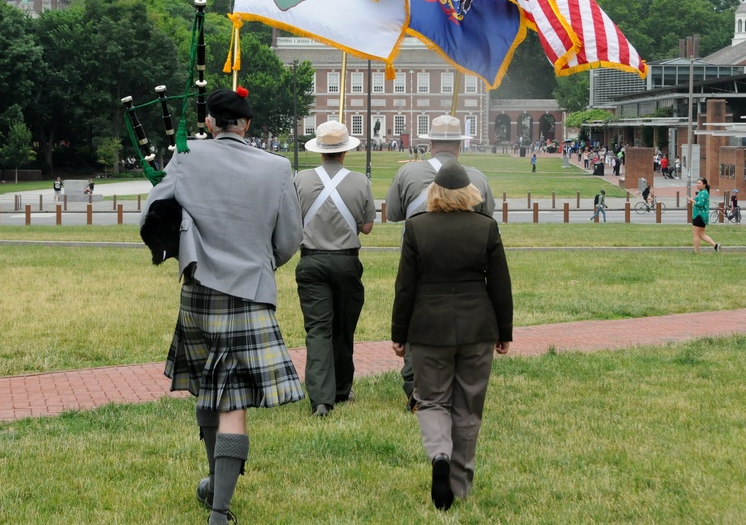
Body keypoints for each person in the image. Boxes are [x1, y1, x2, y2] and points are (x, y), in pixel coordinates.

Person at [142, 86, 304, 525]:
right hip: (249, 290)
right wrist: (262, 263)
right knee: (231, 399)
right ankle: (218, 510)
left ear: (211, 122)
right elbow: (290, 239)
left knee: (207, 385)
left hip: (198, 289)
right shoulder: (277, 167)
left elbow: (153, 217)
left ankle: (216, 485)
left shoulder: (186, 156)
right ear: (246, 124)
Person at [391, 161, 513, 511]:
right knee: (468, 407)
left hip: (428, 329)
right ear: (469, 194)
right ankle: (459, 486)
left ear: (434, 194)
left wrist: (400, 334)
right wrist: (504, 331)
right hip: (478, 328)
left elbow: (405, 288)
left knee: (430, 400)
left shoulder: (416, 229)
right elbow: (501, 285)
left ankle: (439, 455)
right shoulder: (486, 228)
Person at [385, 115, 495, 409]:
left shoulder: (407, 174)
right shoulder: (479, 178)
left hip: (419, 256)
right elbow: (488, 221)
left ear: (430, 143)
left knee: (414, 315)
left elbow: (392, 214)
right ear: (460, 145)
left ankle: (414, 383)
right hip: (466, 265)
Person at [293, 121, 375, 417]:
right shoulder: (360, 181)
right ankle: (341, 388)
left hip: (311, 259)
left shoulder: (300, 179)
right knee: (343, 328)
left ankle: (320, 399)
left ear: (320, 151)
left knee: (318, 329)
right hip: (346, 260)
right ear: (345, 152)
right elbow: (366, 227)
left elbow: (292, 220)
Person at [691, 177, 720, 253]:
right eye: (697, 183)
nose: (697, 185)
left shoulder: (703, 193)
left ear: (704, 184)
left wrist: (692, 201)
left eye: (699, 183)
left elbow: (700, 204)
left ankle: (696, 251)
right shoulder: (703, 192)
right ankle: (715, 245)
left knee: (696, 234)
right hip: (702, 216)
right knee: (701, 234)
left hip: (699, 215)